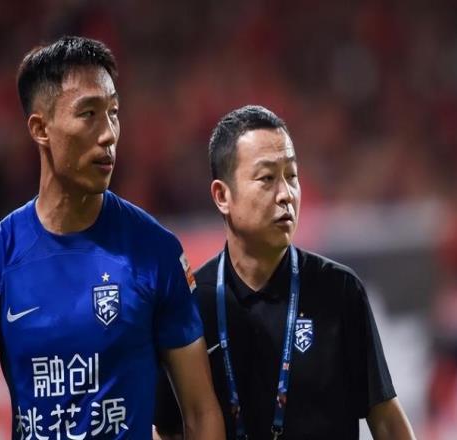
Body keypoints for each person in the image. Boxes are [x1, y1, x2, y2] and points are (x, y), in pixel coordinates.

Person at [0, 36, 224, 440]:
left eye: (113, 113)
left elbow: (200, 410)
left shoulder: (155, 252)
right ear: (40, 129)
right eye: (88, 113)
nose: (108, 134)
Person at [154, 105, 416, 439]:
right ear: (222, 196)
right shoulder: (192, 303)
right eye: (267, 178)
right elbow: (167, 429)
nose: (286, 195)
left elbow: (387, 420)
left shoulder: (339, 291)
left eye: (291, 176)